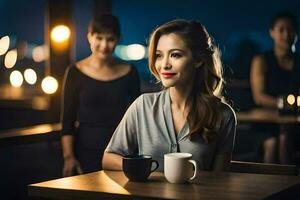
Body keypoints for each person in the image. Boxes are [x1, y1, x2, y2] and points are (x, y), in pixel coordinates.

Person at [102, 19, 236, 172]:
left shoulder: (223, 115)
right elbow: (109, 158)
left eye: (175, 55)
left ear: (198, 59)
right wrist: (145, 169)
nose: (164, 64)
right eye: (159, 55)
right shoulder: (143, 106)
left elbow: (220, 181)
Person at [61, 13, 140, 176]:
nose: (104, 45)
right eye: (99, 38)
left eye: (110, 39)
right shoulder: (75, 72)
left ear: (118, 39)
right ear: (89, 37)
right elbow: (67, 121)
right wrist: (69, 158)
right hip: (84, 152)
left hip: (121, 153)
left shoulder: (130, 72)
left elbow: (138, 119)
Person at [250, 11, 299, 164]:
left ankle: (289, 187)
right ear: (272, 33)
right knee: (272, 144)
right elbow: (259, 97)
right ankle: (267, 187)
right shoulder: (261, 60)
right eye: (281, 30)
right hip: (266, 121)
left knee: (285, 139)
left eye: (290, 29)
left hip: (294, 123)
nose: (286, 34)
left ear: (296, 33)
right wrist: (289, 104)